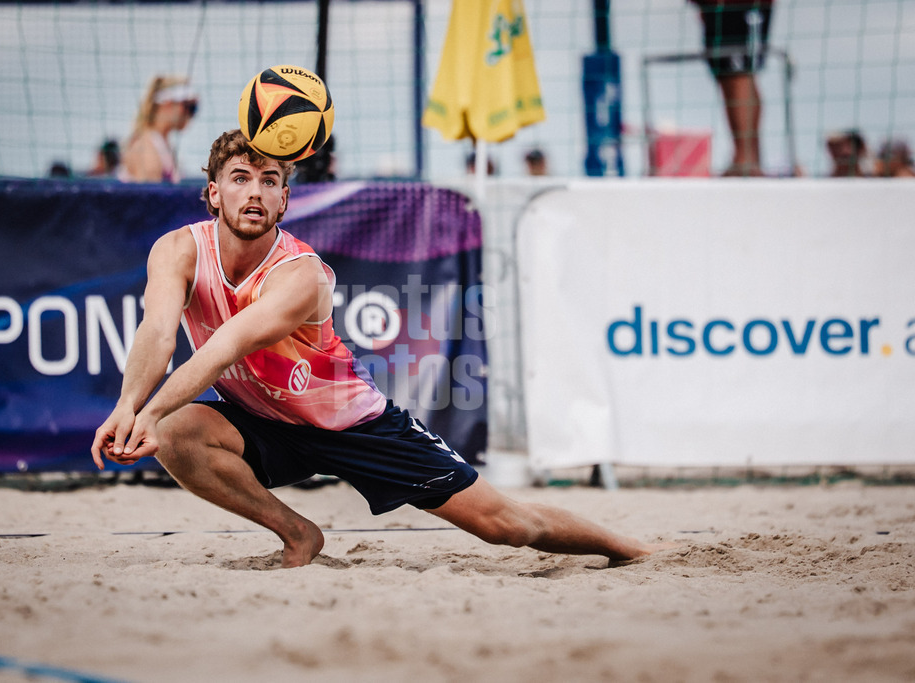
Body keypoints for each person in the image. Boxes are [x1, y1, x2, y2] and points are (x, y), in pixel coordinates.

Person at [91, 129, 675, 568]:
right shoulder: (177, 251)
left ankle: (633, 548)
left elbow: (219, 350)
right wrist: (130, 410)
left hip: (355, 425)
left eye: (271, 181)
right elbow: (158, 333)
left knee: (506, 526)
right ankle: (299, 535)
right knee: (173, 434)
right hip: (263, 420)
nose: (255, 192)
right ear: (212, 193)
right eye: (242, 177)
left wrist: (149, 410)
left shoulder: (301, 275)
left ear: (285, 200)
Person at [690, 0, 774, 177]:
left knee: (739, 72)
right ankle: (746, 159)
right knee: (728, 74)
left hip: (740, 5)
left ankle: (746, 160)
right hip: (716, 7)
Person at [118, 75, 198, 183]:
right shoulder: (146, 147)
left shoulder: (161, 143)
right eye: (187, 106)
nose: (190, 114)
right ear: (167, 103)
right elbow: (148, 197)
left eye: (194, 108)